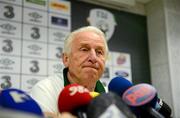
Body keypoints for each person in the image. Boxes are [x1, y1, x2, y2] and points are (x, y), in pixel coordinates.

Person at [30, 26, 109, 117]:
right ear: (66, 59)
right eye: (84, 49)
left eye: (99, 52)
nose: (93, 58)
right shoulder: (45, 90)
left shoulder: (110, 97)